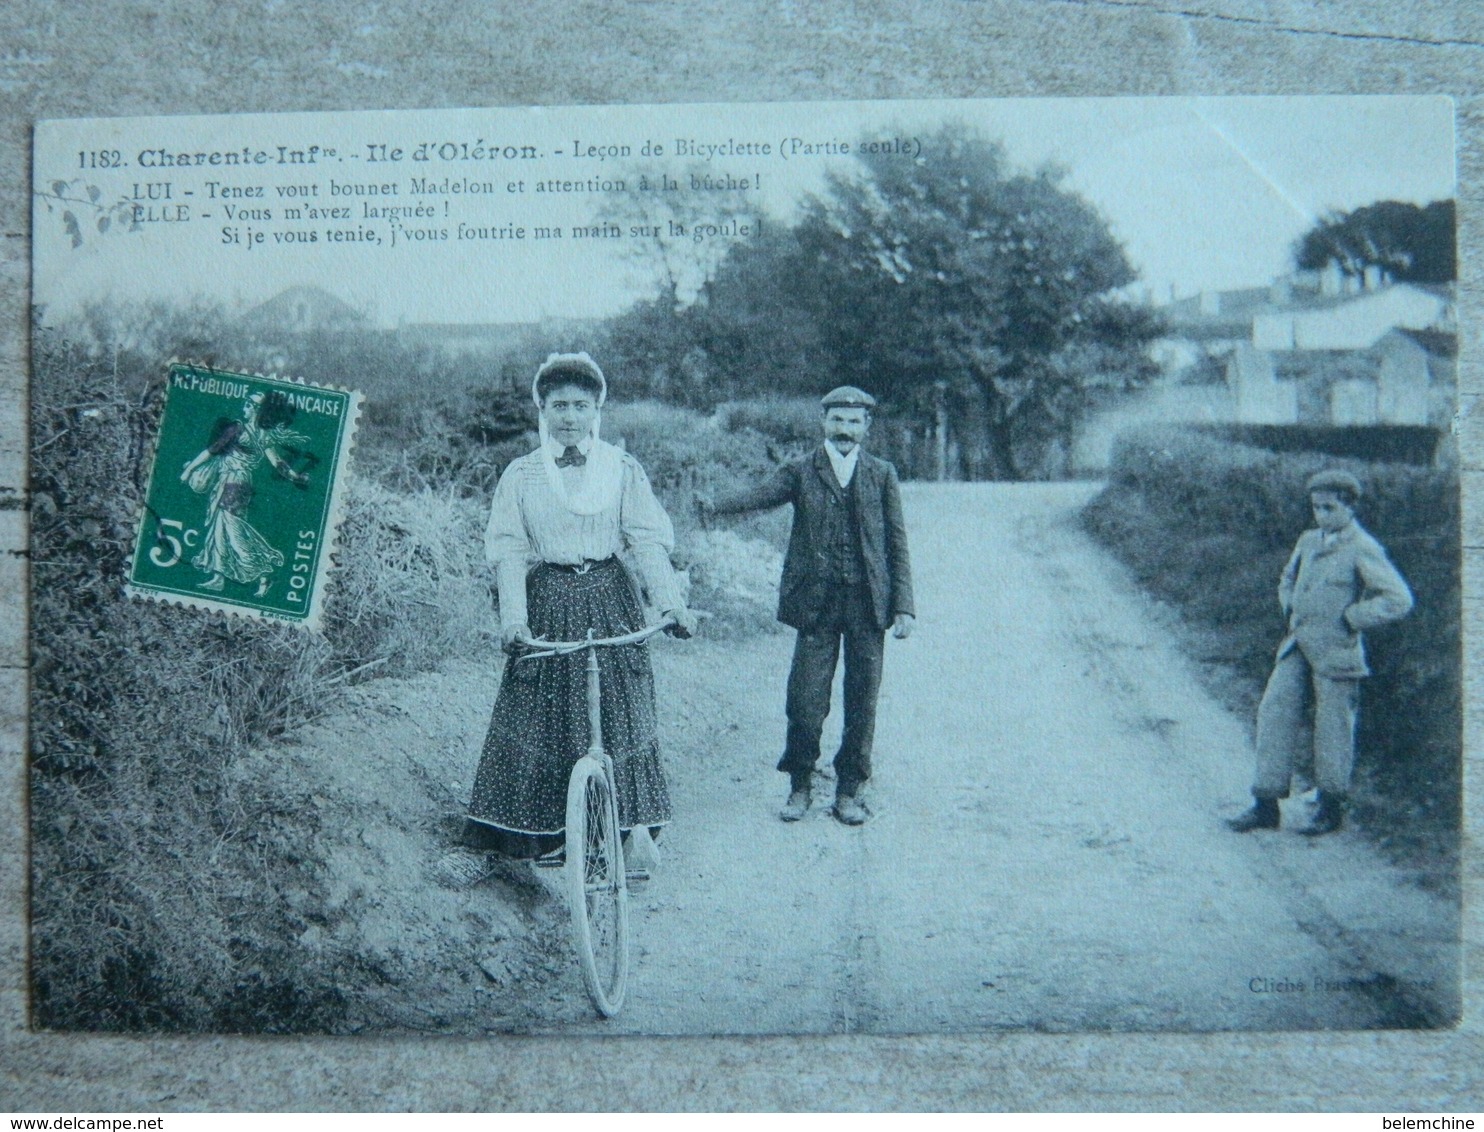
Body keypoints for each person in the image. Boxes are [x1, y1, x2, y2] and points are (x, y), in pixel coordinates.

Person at [462, 353, 697, 861]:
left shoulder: (622, 468)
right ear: (542, 410)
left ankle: (624, 831)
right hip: (548, 599)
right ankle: (537, 836)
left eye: (580, 406)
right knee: (542, 709)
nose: (569, 416)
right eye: (559, 405)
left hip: (611, 598)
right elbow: (508, 552)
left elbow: (646, 543)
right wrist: (514, 619)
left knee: (620, 709)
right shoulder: (521, 476)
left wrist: (672, 605)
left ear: (596, 410)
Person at [698, 385, 914, 826]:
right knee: (804, 700)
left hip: (867, 604)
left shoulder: (881, 474)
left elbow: (897, 542)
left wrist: (904, 606)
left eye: (854, 422)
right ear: (823, 423)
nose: (845, 430)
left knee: (862, 700)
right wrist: (714, 506)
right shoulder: (800, 470)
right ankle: (799, 784)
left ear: (867, 428)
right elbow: (760, 495)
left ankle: (850, 789)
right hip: (816, 604)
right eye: (837, 420)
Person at [1228, 470, 1413, 837]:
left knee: (1333, 730)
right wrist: (1291, 610)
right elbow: (1287, 578)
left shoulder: (1363, 547)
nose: (1321, 515)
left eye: (1330, 508)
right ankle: (1265, 804)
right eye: (1316, 507)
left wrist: (1353, 618)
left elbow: (1399, 598)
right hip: (1298, 644)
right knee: (1274, 713)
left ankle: (1331, 808)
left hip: (1337, 651)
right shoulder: (1309, 540)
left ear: (1349, 507)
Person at [179, 390, 310, 597]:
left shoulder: (239, 429)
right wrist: (296, 476)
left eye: (250, 404)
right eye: (247, 403)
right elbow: (279, 464)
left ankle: (263, 571)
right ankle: (220, 578)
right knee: (221, 528)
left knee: (230, 528)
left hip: (233, 482)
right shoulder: (263, 435)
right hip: (240, 484)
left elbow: (212, 450)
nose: (245, 407)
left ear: (258, 410)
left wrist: (188, 471)